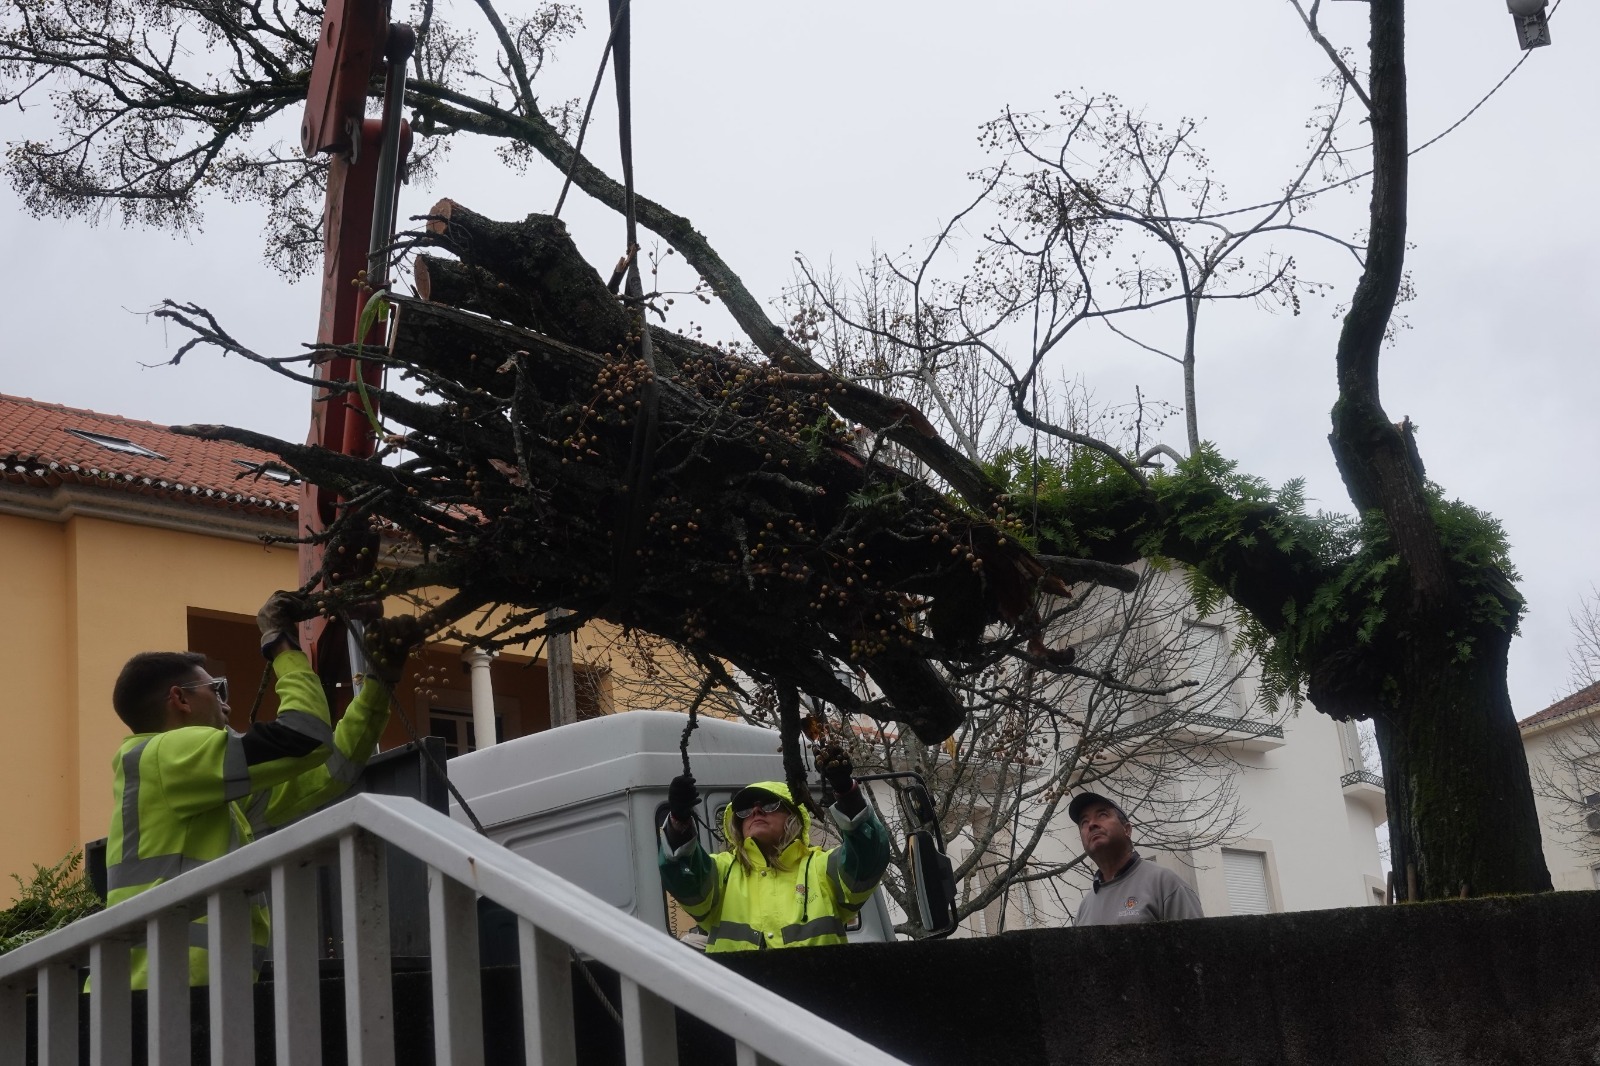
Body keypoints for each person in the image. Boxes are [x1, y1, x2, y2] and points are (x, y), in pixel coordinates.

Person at [105, 591, 416, 986]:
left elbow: (330, 769)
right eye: (217, 689)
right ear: (179, 699)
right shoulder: (166, 755)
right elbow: (305, 735)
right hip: (165, 992)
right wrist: (280, 646)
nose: (227, 706)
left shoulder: (198, 784)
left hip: (173, 990)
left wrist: (376, 684)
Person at [658, 745, 890, 952]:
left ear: (792, 816)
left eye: (769, 804)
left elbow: (868, 859)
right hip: (739, 1000)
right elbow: (682, 874)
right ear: (738, 825)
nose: (756, 812)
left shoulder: (821, 868)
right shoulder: (722, 872)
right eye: (745, 810)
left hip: (814, 998)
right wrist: (679, 820)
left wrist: (848, 795)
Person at [1069, 792, 1203, 926]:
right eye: (1084, 822)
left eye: (1102, 815)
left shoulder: (1166, 884)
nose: (1091, 824)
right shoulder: (1085, 907)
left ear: (1127, 829)